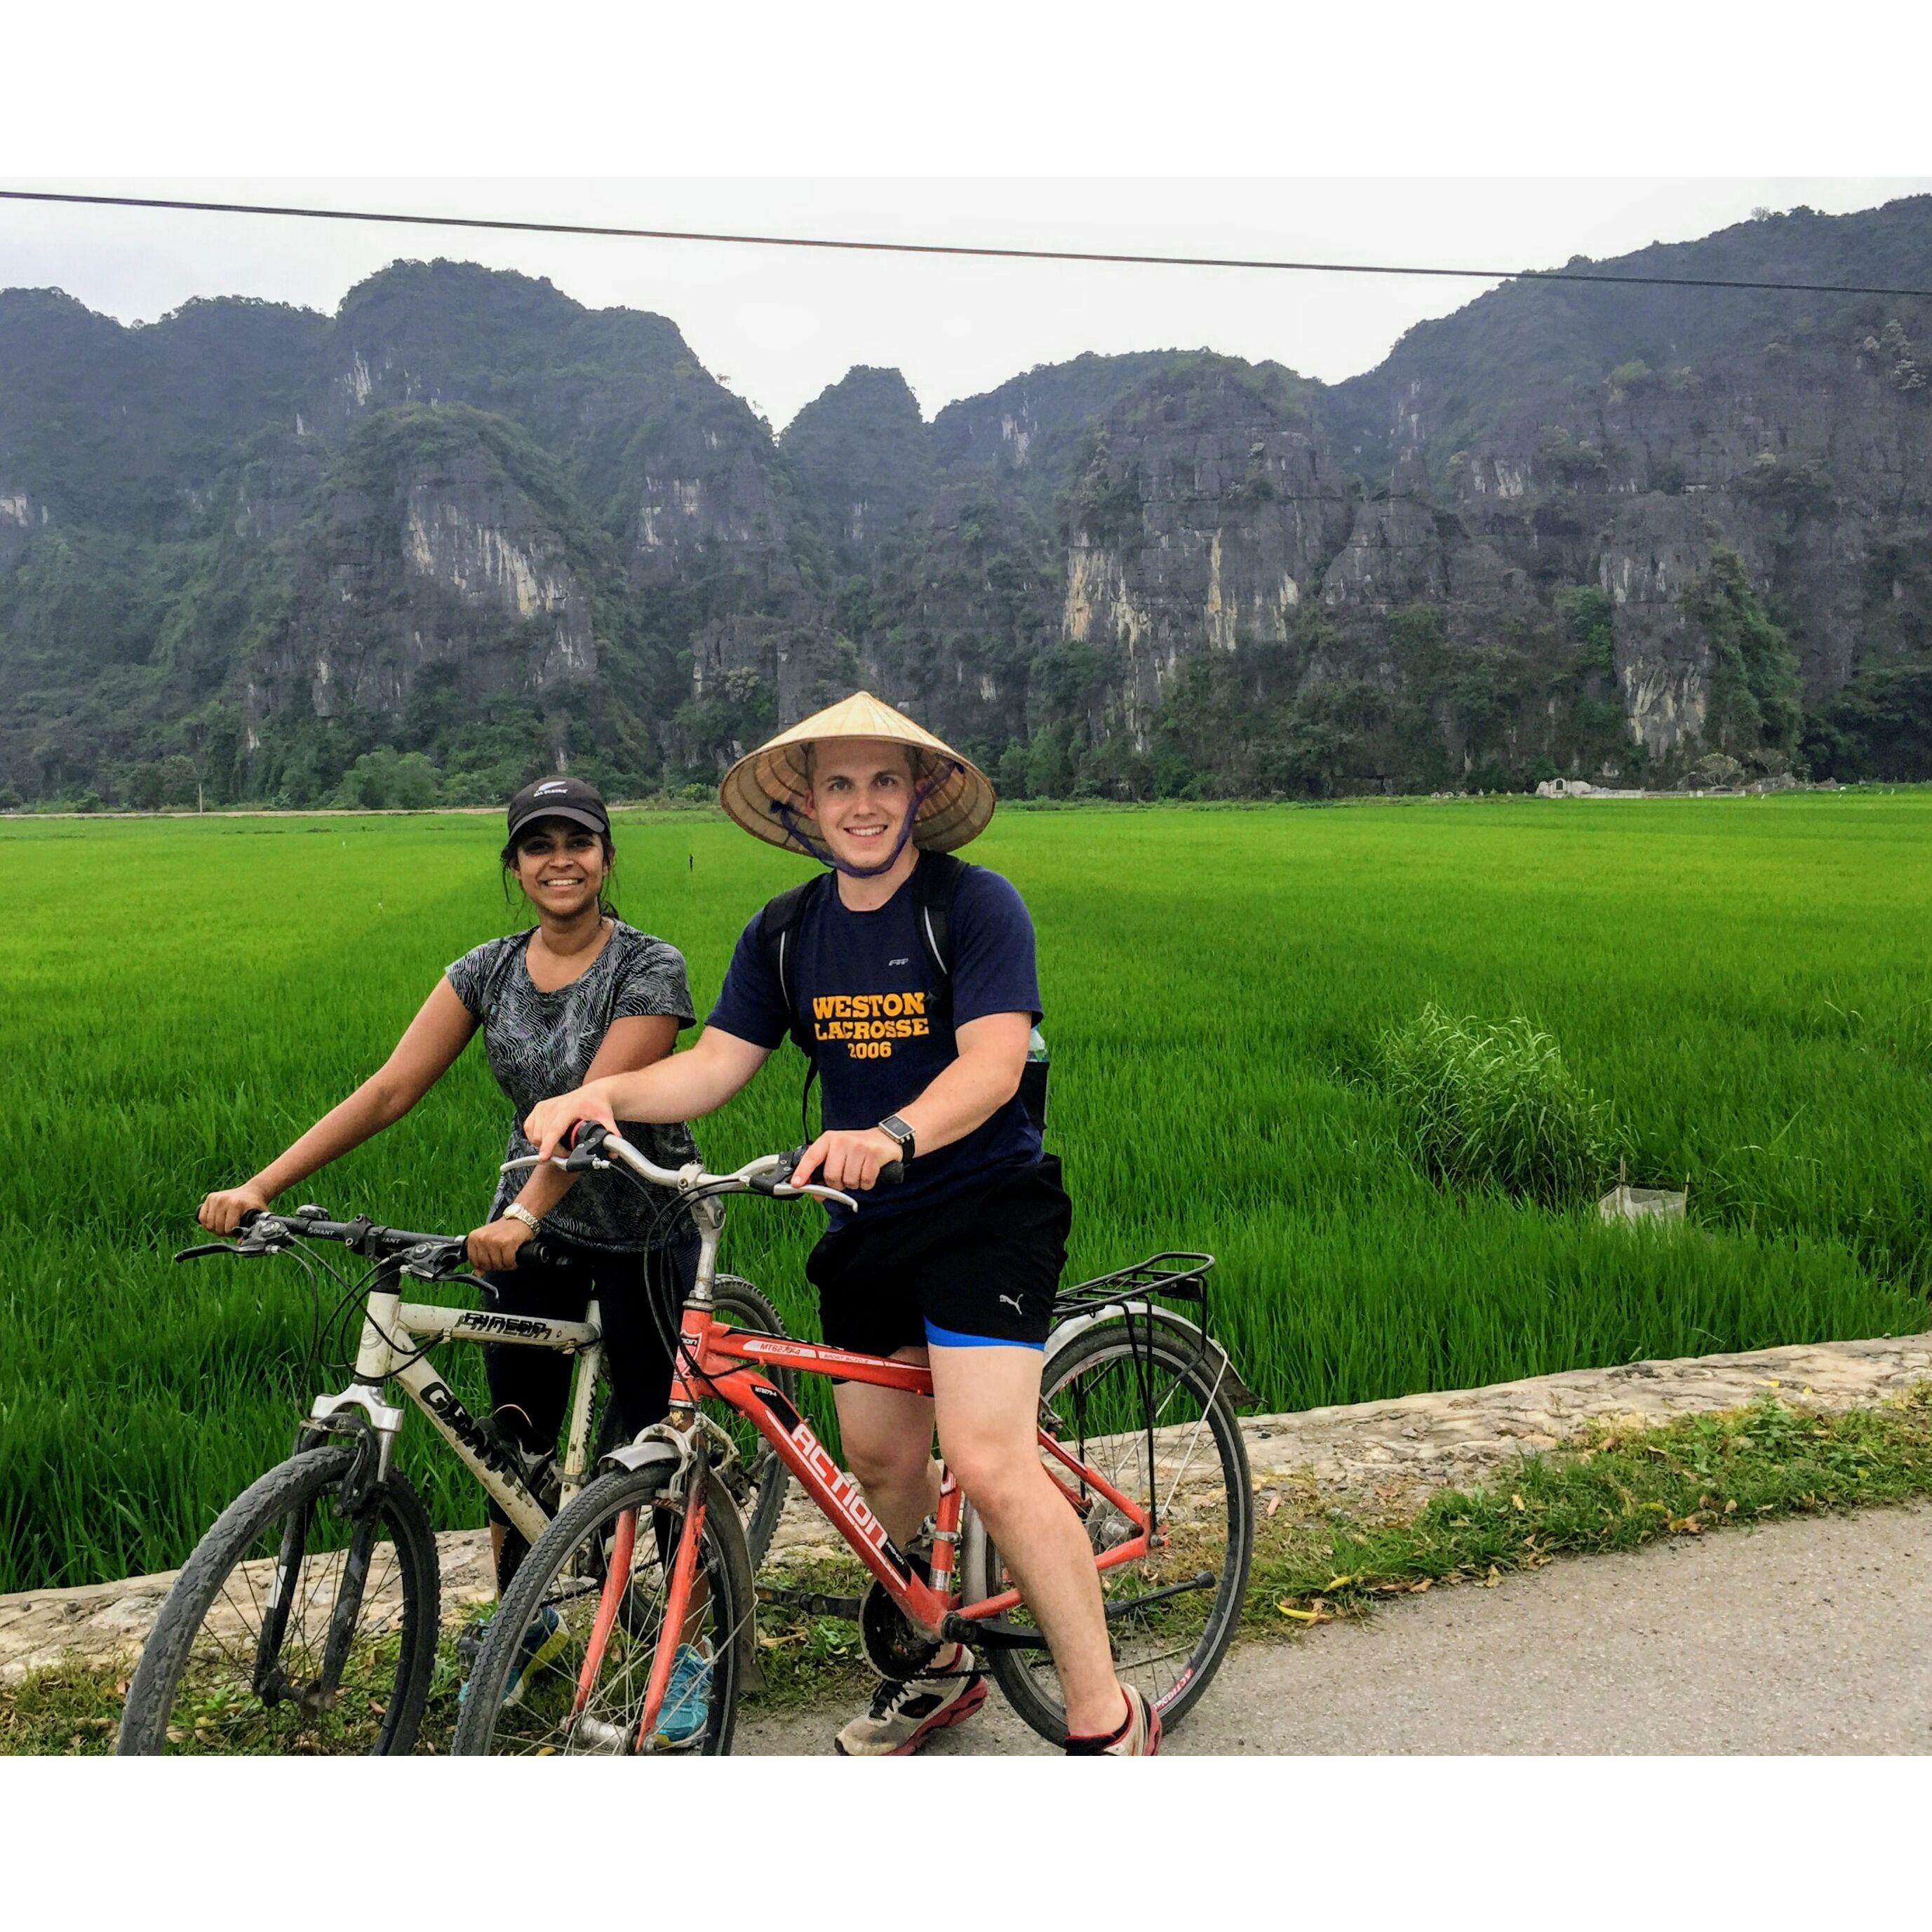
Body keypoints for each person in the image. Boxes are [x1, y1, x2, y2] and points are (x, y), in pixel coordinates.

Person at [525, 692, 1158, 1756]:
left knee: (988, 1456)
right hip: (861, 1217)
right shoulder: (784, 933)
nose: (861, 805)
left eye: (881, 781)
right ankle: (942, 1662)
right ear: (807, 807)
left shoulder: (975, 906)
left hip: (983, 1210)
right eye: (838, 785)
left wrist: (897, 1132)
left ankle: (1107, 1720)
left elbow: (995, 1063)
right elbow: (717, 1063)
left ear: (917, 794)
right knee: (875, 1457)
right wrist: (607, 1097)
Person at [196, 774, 714, 1735]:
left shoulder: (649, 965)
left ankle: (678, 1642)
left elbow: (595, 1105)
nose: (559, 859)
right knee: (510, 1448)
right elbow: (390, 1088)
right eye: (537, 843)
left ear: (605, 857)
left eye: (578, 841)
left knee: (646, 1449)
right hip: (528, 1233)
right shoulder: (487, 968)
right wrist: (263, 1183)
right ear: (514, 864)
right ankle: (535, 1629)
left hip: (643, 1226)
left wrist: (522, 1210)